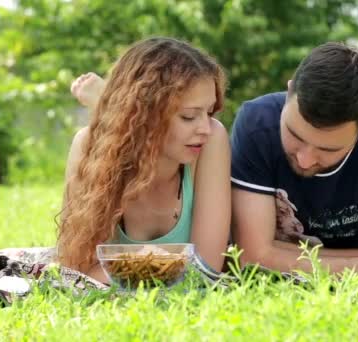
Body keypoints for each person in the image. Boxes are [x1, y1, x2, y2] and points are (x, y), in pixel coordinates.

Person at [230, 42, 358, 273]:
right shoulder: (256, 123)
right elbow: (252, 257)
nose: (305, 160)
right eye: (294, 134)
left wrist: (277, 252)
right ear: (289, 93)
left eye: (328, 150)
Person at [58, 37, 231, 283]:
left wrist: (121, 268)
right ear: (144, 116)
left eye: (209, 111)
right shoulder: (89, 146)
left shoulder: (211, 140)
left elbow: (205, 268)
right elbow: (77, 271)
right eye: (189, 116)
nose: (204, 127)